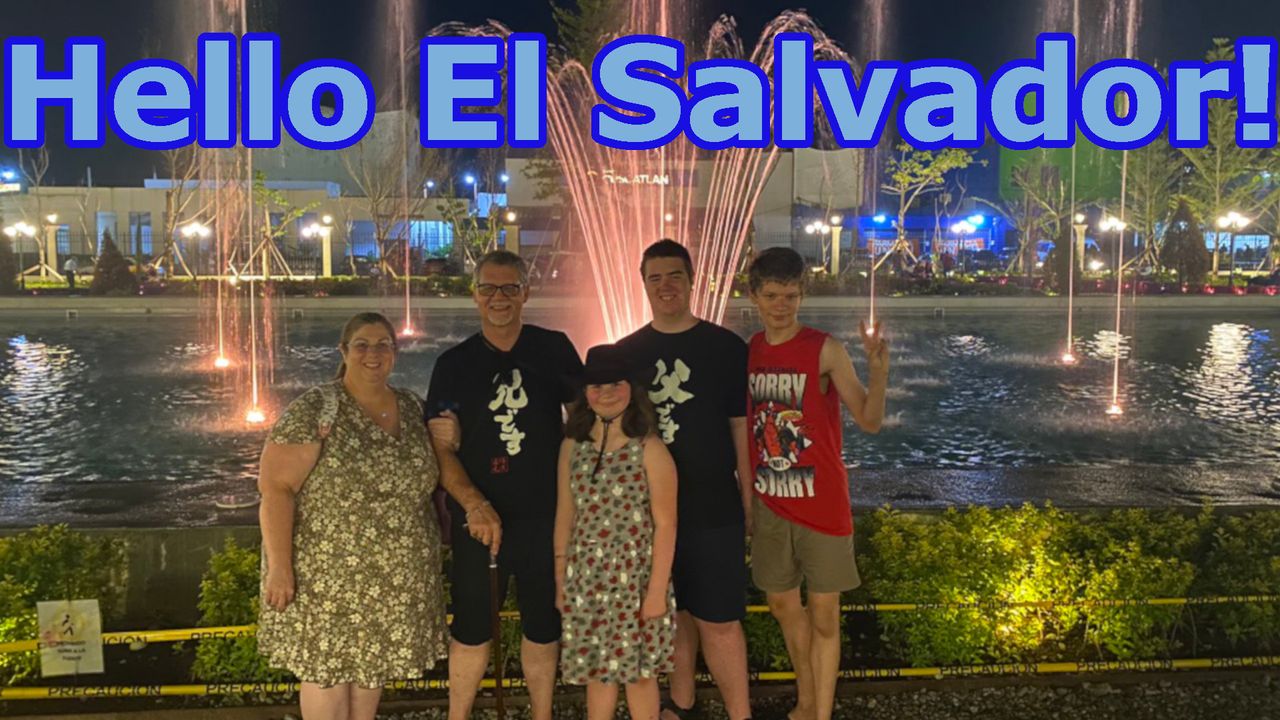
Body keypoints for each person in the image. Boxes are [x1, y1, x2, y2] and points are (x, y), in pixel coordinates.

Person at [257, 312, 448, 720]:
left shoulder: (413, 407)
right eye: (361, 345)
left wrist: (455, 436)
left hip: (393, 578)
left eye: (383, 345)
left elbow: (438, 466)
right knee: (326, 672)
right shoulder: (316, 409)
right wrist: (280, 567)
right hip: (327, 577)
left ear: (395, 352)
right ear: (343, 352)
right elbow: (276, 489)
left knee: (370, 669)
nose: (372, 354)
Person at [425, 250, 584, 720]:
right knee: (472, 628)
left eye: (510, 288)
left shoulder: (554, 348)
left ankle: (542, 714)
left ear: (526, 293)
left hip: (544, 516)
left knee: (544, 625)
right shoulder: (453, 364)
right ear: (474, 295)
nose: (499, 298)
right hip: (478, 521)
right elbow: (441, 449)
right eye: (488, 288)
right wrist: (473, 503)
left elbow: (584, 420)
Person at [744, 248, 888, 720]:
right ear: (754, 296)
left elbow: (868, 420)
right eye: (771, 296)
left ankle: (819, 713)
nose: (781, 306)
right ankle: (806, 701)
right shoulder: (752, 350)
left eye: (790, 296)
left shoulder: (825, 349)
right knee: (782, 605)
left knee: (825, 615)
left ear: (802, 295)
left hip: (822, 504)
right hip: (771, 504)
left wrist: (879, 371)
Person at [615, 239, 754, 720]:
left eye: (674, 275)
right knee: (672, 614)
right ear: (643, 284)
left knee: (720, 619)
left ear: (693, 281)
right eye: (655, 278)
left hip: (714, 507)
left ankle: (740, 714)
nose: (665, 286)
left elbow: (741, 428)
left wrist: (749, 500)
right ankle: (681, 705)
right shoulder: (626, 354)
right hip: (648, 514)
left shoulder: (726, 348)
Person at [554, 344, 678, 720]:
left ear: (632, 390)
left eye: (615, 384)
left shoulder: (650, 448)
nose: (606, 392)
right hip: (586, 575)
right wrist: (560, 581)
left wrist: (656, 592)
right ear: (585, 393)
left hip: (636, 576)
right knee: (597, 672)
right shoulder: (572, 446)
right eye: (596, 385)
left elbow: (666, 524)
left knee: (639, 674)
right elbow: (565, 514)